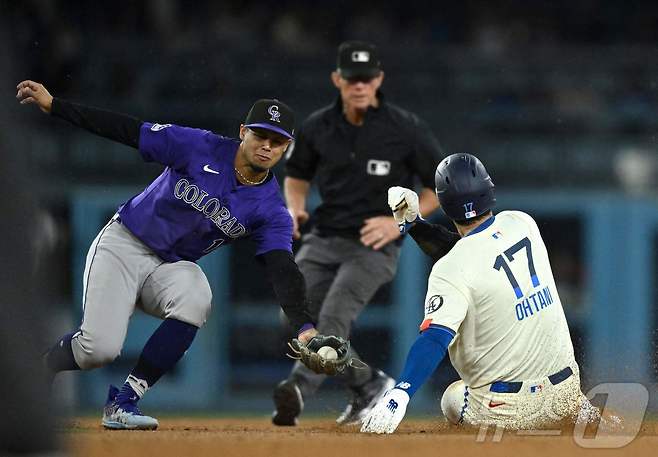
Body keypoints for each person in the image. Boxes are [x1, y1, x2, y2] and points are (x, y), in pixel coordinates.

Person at [16, 80, 334, 430]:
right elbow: (127, 130)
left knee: (197, 296)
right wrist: (55, 105)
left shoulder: (272, 209)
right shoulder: (198, 146)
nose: (266, 146)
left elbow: (281, 267)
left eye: (276, 141)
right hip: (125, 243)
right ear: (243, 132)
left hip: (170, 267)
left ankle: (123, 402)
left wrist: (304, 327)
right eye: (260, 135)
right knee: (98, 350)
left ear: (286, 148)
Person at [273, 40, 443, 426]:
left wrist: (397, 221)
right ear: (337, 79)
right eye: (352, 78)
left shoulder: (405, 128)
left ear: (379, 79)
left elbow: (436, 189)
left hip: (374, 247)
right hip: (323, 238)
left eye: (367, 78)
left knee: (334, 314)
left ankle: (298, 388)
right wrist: (295, 207)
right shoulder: (317, 126)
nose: (360, 86)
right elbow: (297, 174)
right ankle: (366, 383)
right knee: (293, 315)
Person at [361, 153, 588, 433]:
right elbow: (475, 253)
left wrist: (401, 392)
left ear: (443, 204)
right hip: (566, 396)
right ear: (488, 189)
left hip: (508, 409)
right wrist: (415, 226)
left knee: (451, 399)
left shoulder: (450, 268)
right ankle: (581, 412)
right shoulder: (522, 223)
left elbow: (434, 338)